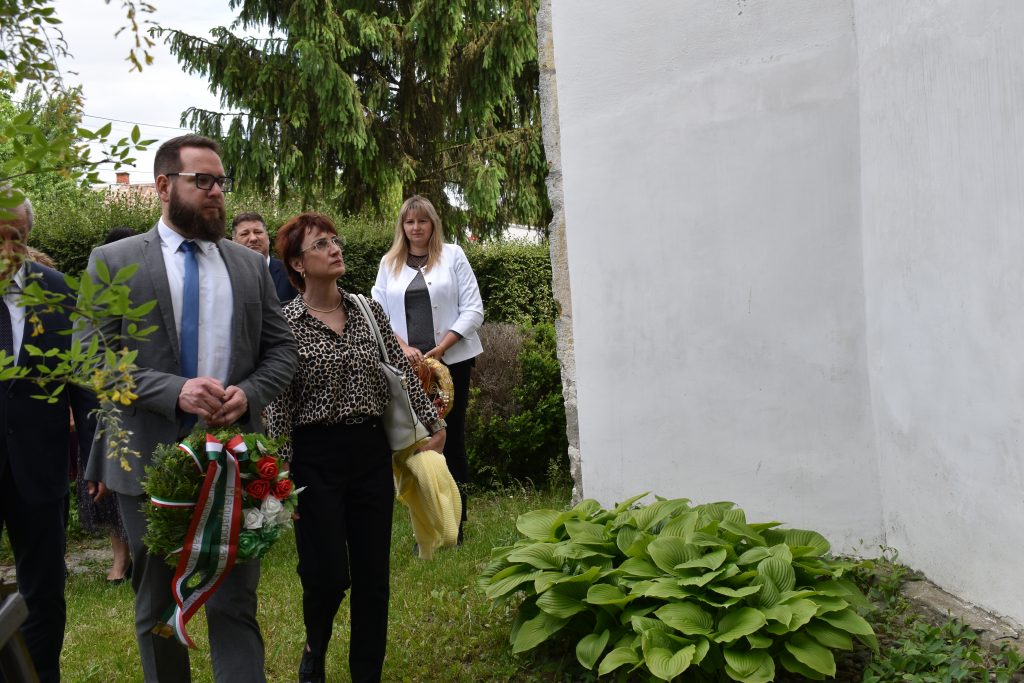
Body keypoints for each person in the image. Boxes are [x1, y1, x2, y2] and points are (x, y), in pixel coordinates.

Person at [79, 134, 297, 683]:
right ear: (163, 186)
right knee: (157, 607)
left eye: (220, 181)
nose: (216, 191)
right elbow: (88, 356)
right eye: (203, 180)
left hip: (236, 460)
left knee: (235, 602)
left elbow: (282, 351)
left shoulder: (248, 266)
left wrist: (249, 393)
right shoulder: (115, 261)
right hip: (147, 463)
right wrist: (172, 390)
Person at [264, 211, 446, 683]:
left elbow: (401, 373)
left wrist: (433, 425)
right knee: (326, 575)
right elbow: (279, 403)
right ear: (298, 264)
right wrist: (278, 473)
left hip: (368, 452)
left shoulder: (367, 310)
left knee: (372, 577)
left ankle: (367, 673)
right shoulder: (285, 323)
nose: (334, 249)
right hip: (314, 459)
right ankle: (315, 645)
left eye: (334, 240)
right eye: (320, 244)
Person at [0, 193, 98, 682]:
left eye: (16, 237)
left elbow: (84, 381)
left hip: (40, 464)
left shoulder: (58, 290)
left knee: (44, 589)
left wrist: (96, 456)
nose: (7, 249)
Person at [372, 195, 483, 543]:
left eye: (422, 221)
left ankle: (457, 523)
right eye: (409, 222)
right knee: (414, 442)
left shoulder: (453, 255)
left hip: (452, 364)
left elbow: (474, 309)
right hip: (407, 368)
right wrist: (403, 348)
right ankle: (426, 522)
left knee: (451, 438)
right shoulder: (389, 263)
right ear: (402, 226)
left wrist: (443, 347)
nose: (416, 228)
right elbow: (377, 313)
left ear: (433, 223)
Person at [70, 226, 137, 585]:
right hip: (98, 409)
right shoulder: (93, 300)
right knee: (108, 487)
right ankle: (120, 559)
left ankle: (144, 553)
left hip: (141, 405)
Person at [232, 211, 298, 302]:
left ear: (268, 238)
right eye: (244, 234)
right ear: (234, 242)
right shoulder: (227, 277)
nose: (253, 238)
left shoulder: (291, 272)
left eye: (258, 232)